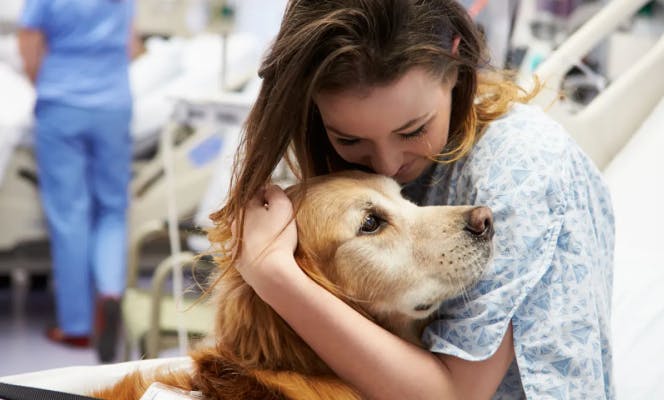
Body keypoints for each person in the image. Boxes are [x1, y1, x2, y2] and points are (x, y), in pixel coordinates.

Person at [211, 0, 615, 398]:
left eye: (412, 130)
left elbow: (453, 395)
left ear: (455, 65)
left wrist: (272, 275)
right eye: (349, 139)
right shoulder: (339, 175)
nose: (386, 165)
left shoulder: (522, 166)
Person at [17, 0, 136, 363]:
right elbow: (131, 44)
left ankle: (77, 326)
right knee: (113, 210)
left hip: (62, 101)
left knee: (70, 215)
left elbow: (29, 42)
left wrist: (47, 84)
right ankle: (112, 293)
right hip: (114, 104)